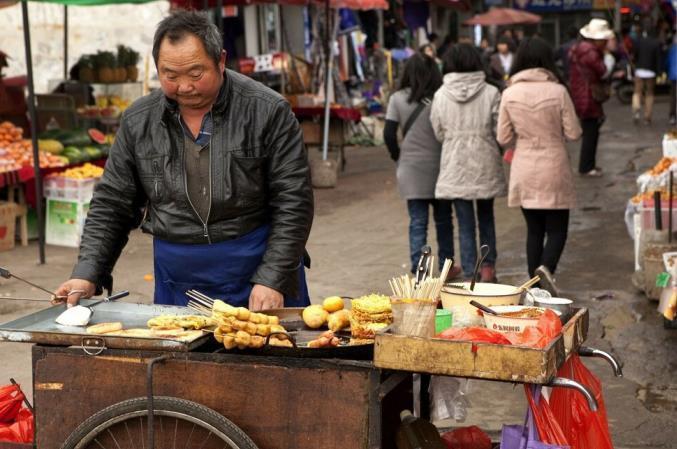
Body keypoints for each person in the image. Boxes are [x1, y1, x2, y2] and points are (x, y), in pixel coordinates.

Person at [54, 10, 314, 311]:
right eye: (170, 76)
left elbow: (294, 200)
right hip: (178, 279)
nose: (185, 87)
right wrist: (87, 273)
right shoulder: (139, 120)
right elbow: (113, 202)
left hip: (256, 268)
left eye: (195, 74)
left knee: (270, 356)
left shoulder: (267, 110)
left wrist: (273, 277)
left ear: (220, 60)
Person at [497, 37, 582, 295]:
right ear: (547, 61)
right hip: (553, 165)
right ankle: (546, 269)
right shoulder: (558, 92)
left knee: (534, 230)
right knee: (557, 229)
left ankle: (534, 286)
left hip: (524, 167)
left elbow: (503, 137)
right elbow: (575, 132)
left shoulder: (509, 93)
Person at [430, 44, 506, 282]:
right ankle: (488, 268)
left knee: (464, 222)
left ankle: (471, 270)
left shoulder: (441, 94)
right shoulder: (492, 92)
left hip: (455, 163)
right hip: (485, 160)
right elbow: (499, 130)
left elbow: (438, 131)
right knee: (486, 216)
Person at [383, 53, 461, 279]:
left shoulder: (397, 99)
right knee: (444, 220)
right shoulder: (441, 97)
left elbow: (389, 133)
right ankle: (447, 267)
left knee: (418, 222)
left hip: (411, 169)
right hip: (441, 167)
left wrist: (398, 156)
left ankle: (419, 269)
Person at [568, 18, 612, 177]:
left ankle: (588, 165)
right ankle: (587, 167)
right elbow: (603, 71)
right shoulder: (591, 53)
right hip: (588, 96)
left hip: (581, 94)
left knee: (590, 131)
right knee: (591, 133)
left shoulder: (579, 49)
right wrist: (608, 57)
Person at [632, 23, 663, 125]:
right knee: (649, 94)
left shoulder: (639, 41)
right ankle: (647, 117)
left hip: (639, 70)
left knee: (637, 92)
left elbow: (635, 55)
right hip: (651, 72)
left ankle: (636, 110)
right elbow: (658, 59)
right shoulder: (656, 43)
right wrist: (659, 73)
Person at [668, 35, 677, 125]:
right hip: (674, 75)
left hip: (673, 76)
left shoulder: (672, 49)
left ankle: (673, 116)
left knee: (673, 96)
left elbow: (667, 62)